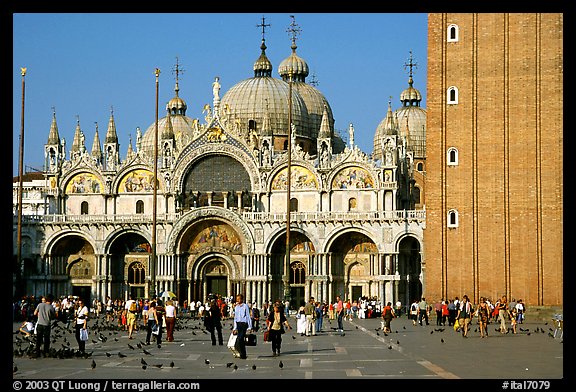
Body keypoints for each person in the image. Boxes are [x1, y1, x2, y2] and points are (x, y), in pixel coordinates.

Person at [232, 294, 252, 359]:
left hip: (244, 324)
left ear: (242, 299)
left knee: (240, 338)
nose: (238, 300)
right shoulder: (236, 307)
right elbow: (235, 318)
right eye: (237, 299)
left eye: (239, 299)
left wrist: (250, 327)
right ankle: (242, 353)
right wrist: (234, 328)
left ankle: (243, 354)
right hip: (238, 323)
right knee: (239, 339)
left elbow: (248, 316)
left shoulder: (245, 306)